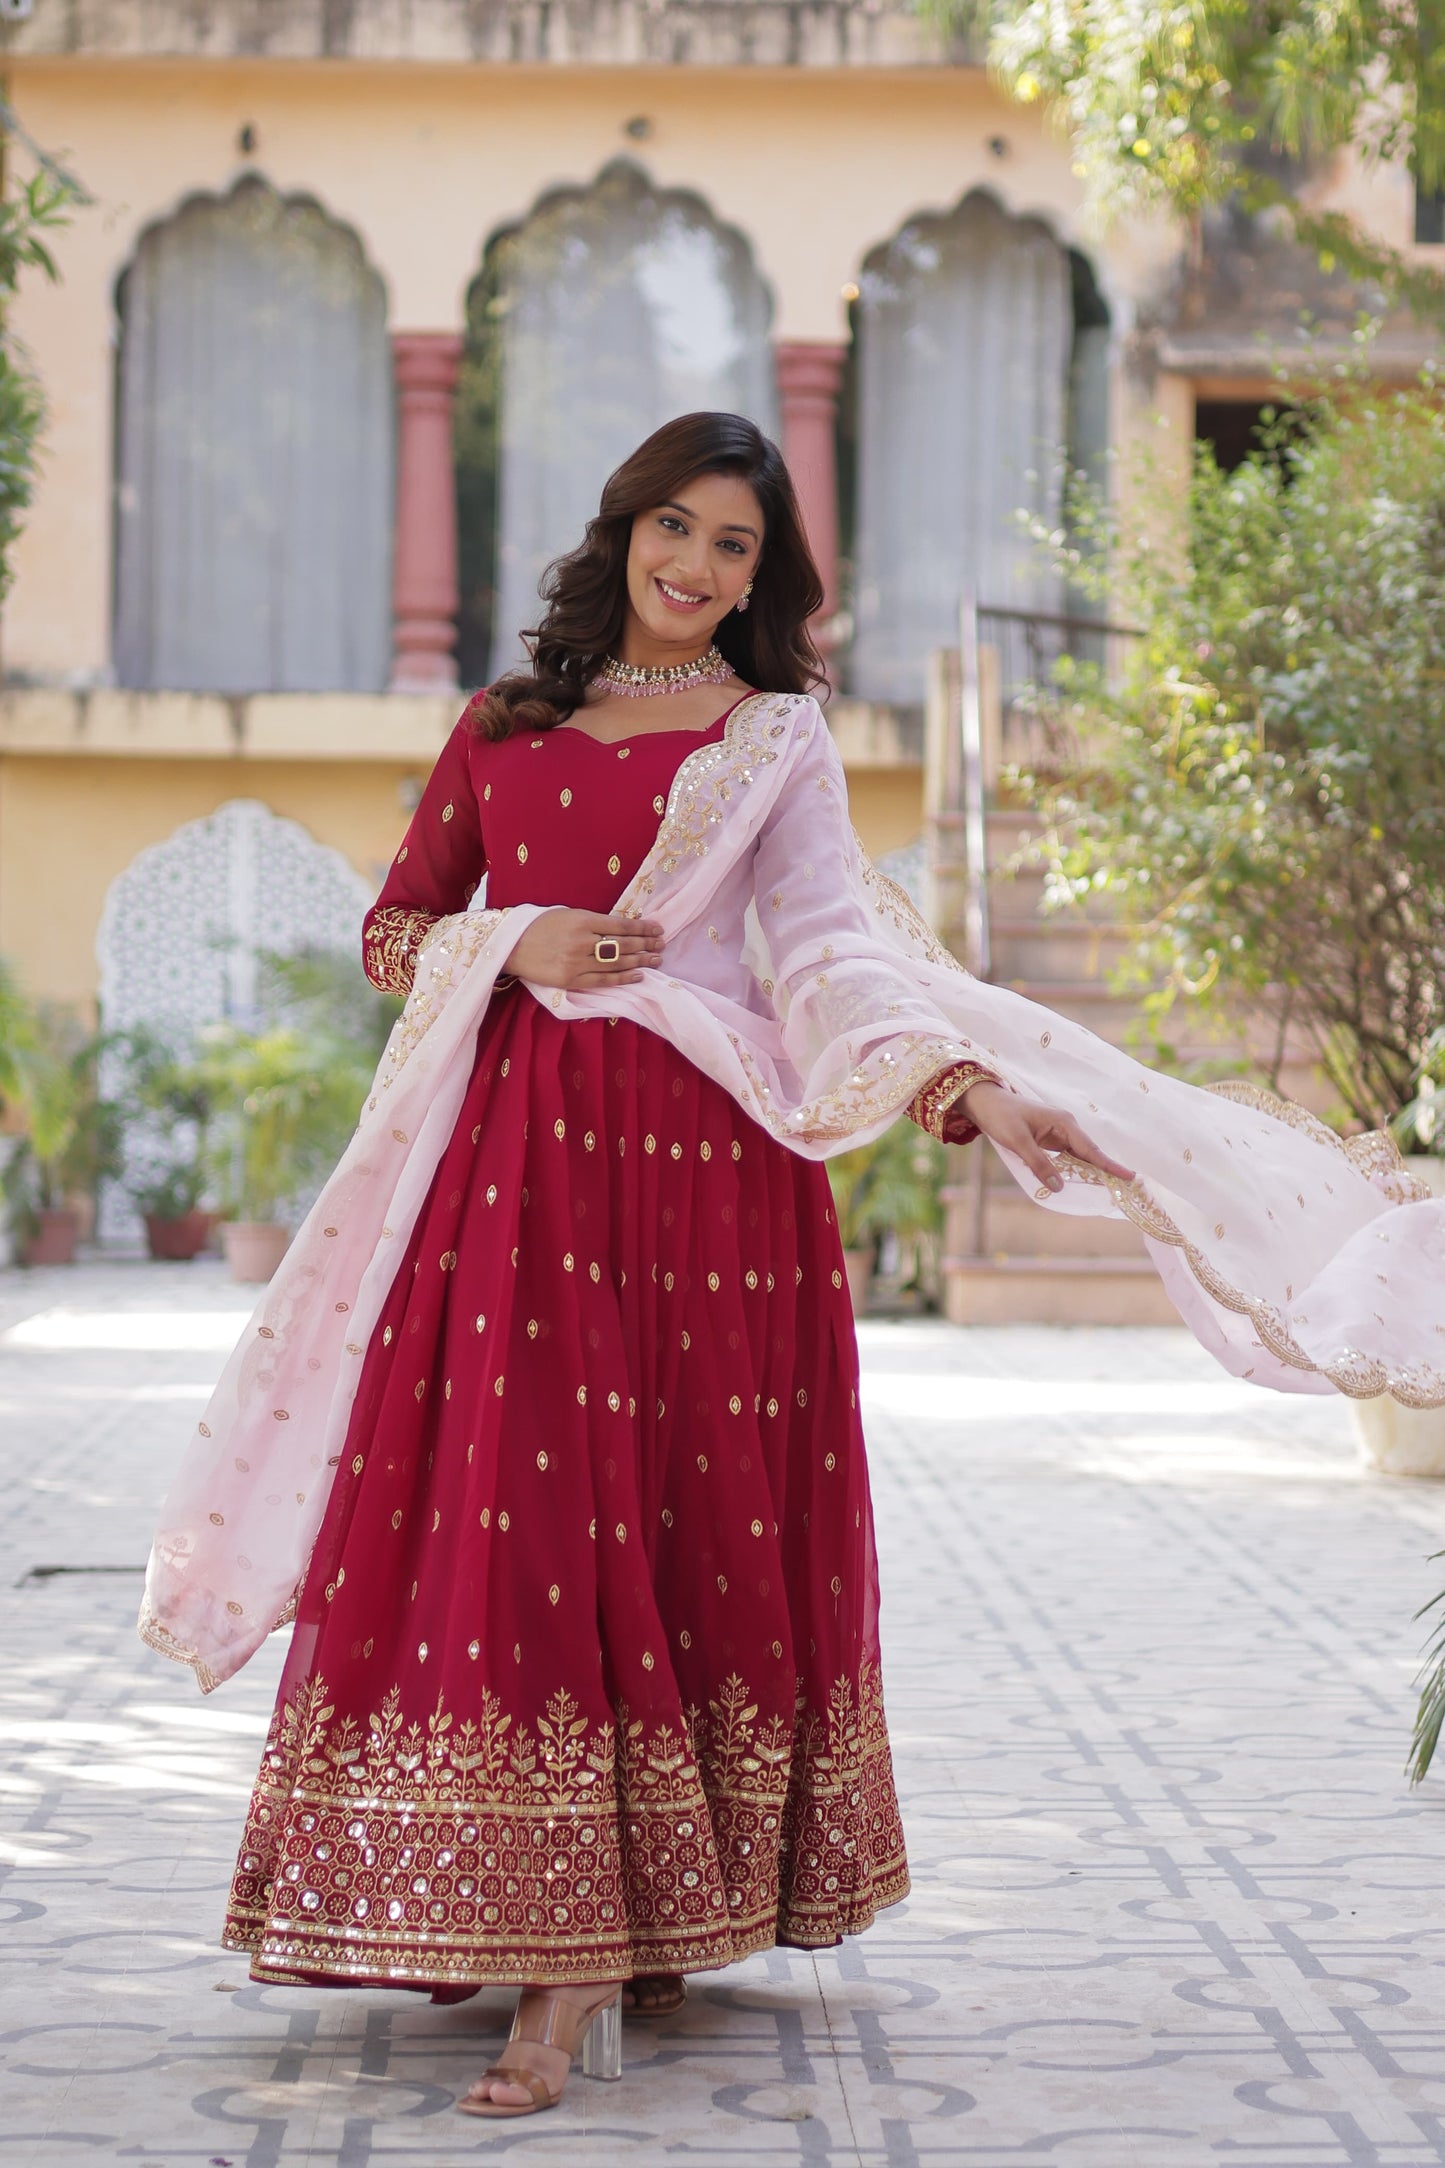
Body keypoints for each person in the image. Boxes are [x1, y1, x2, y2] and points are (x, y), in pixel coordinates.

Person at [140, 410, 1443, 2122]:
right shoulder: (503, 726)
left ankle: (596, 1955)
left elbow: (826, 946)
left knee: (666, 1513)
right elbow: (397, 928)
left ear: (767, 577)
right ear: (620, 531)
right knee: (515, 1518)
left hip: (703, 1196)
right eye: (672, 528)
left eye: (733, 547)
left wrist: (958, 1079)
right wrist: (512, 940)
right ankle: (558, 1922)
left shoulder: (772, 740)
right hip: (508, 1177)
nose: (693, 568)